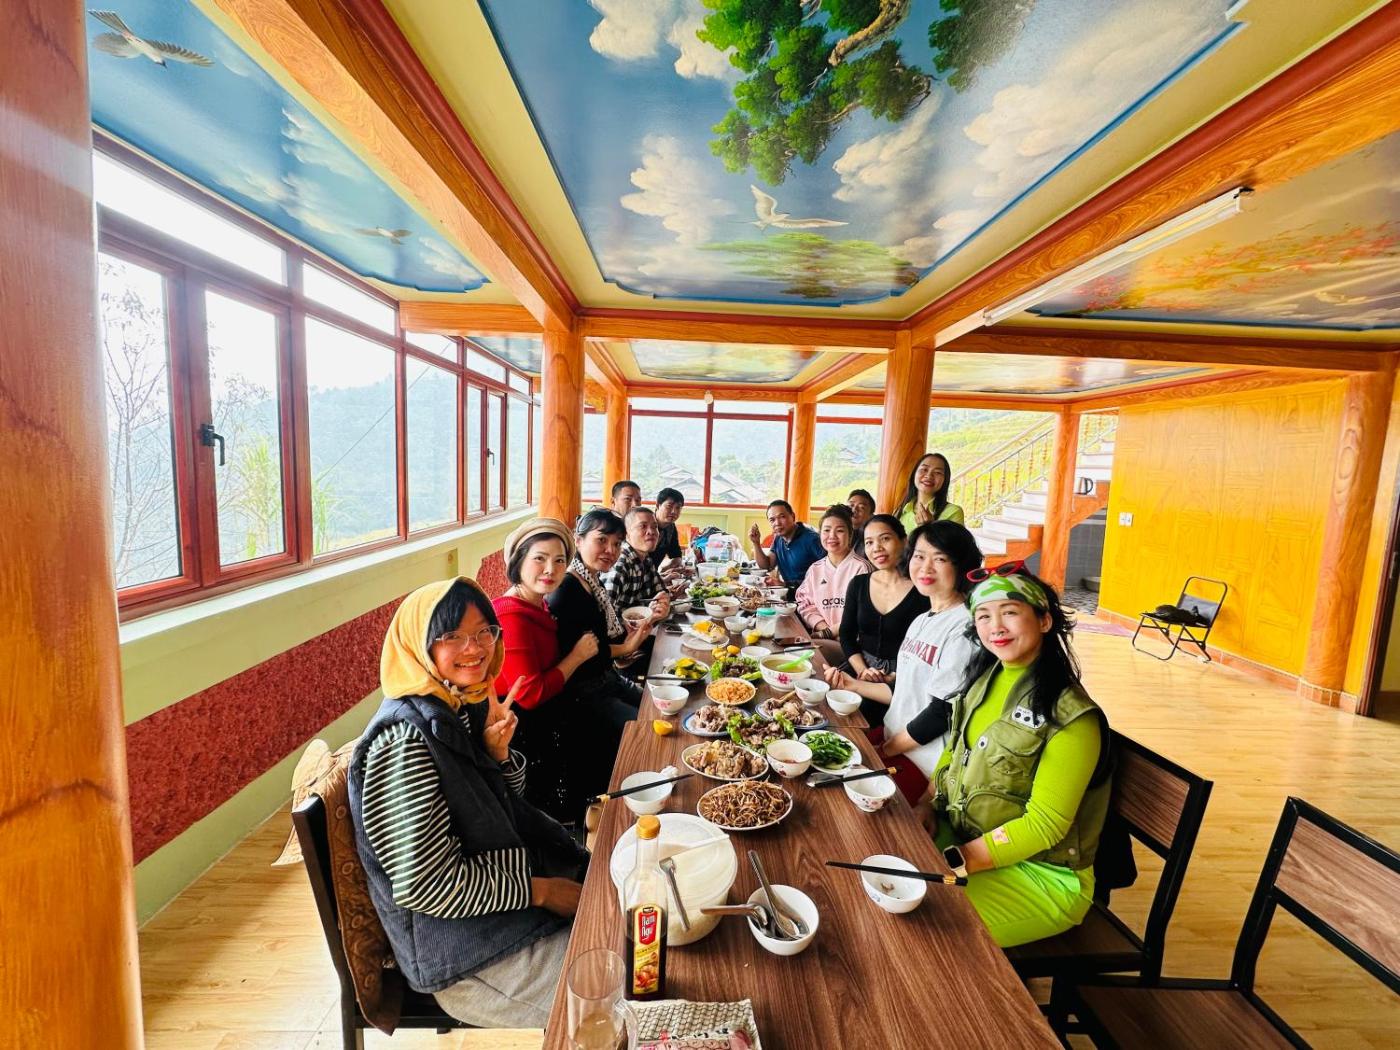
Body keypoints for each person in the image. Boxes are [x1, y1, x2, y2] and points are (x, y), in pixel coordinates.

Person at [348, 576, 588, 1028]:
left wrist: (497, 756)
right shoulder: (404, 743)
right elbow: (425, 885)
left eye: (484, 632)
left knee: (640, 929)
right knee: (626, 985)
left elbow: (493, 811)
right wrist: (542, 891)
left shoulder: (454, 705)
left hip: (505, 914)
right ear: (420, 644)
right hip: (467, 956)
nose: (474, 648)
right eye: (452, 636)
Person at [902, 563, 1111, 949]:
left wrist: (959, 858)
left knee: (917, 929)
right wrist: (927, 804)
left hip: (1041, 876)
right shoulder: (985, 678)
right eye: (983, 616)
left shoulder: (1071, 717)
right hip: (965, 838)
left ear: (1044, 620)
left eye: (1010, 612)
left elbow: (1044, 825)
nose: (995, 626)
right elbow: (954, 752)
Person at [825, 521, 982, 803]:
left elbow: (941, 713)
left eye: (940, 559)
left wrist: (887, 749)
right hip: (892, 738)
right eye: (920, 556)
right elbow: (905, 690)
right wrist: (853, 684)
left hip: (921, 762)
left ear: (961, 565)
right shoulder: (922, 620)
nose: (925, 567)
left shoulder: (964, 628)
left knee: (835, 798)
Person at [492, 518, 606, 824]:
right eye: (539, 559)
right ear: (518, 562)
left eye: (559, 561)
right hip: (523, 730)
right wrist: (577, 657)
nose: (550, 570)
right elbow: (530, 695)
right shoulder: (512, 617)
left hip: (550, 713)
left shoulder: (536, 603)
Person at [547, 509, 650, 731]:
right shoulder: (566, 589)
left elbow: (600, 638)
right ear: (578, 540)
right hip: (584, 695)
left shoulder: (593, 580)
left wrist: (626, 639)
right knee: (646, 729)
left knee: (656, 706)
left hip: (608, 678)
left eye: (617, 543)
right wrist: (627, 647)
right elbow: (585, 655)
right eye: (602, 540)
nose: (611, 550)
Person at [830, 515, 929, 727]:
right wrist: (862, 670)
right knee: (826, 703)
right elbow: (847, 634)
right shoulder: (858, 584)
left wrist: (894, 676)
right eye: (869, 542)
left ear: (904, 541)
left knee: (856, 717)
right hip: (860, 665)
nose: (877, 548)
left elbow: (924, 652)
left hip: (901, 677)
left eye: (885, 539)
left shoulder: (923, 591)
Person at [795, 505, 869, 665]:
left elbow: (862, 614)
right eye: (827, 530)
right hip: (825, 638)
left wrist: (828, 633)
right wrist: (824, 630)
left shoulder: (861, 568)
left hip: (853, 645)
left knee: (803, 656)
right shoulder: (815, 569)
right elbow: (805, 603)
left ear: (850, 535)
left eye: (840, 530)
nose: (832, 536)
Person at [604, 506, 673, 620]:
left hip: (643, 626)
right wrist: (647, 617)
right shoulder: (620, 565)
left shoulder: (646, 558)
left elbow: (660, 590)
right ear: (626, 534)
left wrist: (664, 600)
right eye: (643, 526)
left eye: (654, 527)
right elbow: (604, 617)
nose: (651, 532)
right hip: (622, 630)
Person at [747, 499, 824, 591]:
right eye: (772, 520)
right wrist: (756, 543)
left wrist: (785, 584)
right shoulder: (778, 538)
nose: (777, 523)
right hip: (789, 593)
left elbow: (829, 574)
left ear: (793, 516)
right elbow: (767, 566)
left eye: (782, 517)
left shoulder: (812, 539)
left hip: (811, 595)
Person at [896, 453, 965, 531]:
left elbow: (956, 539)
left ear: (945, 480)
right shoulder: (901, 510)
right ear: (914, 474)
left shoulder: (953, 512)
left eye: (937, 472)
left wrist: (930, 527)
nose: (929, 476)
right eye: (924, 469)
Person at [650, 487, 686, 571]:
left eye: (678, 508)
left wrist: (669, 567)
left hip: (653, 575)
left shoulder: (671, 527)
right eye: (669, 506)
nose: (674, 511)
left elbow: (676, 554)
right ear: (658, 505)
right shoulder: (646, 526)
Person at [847, 488, 876, 565]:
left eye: (861, 507)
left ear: (871, 515)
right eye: (851, 505)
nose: (854, 510)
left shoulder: (871, 538)